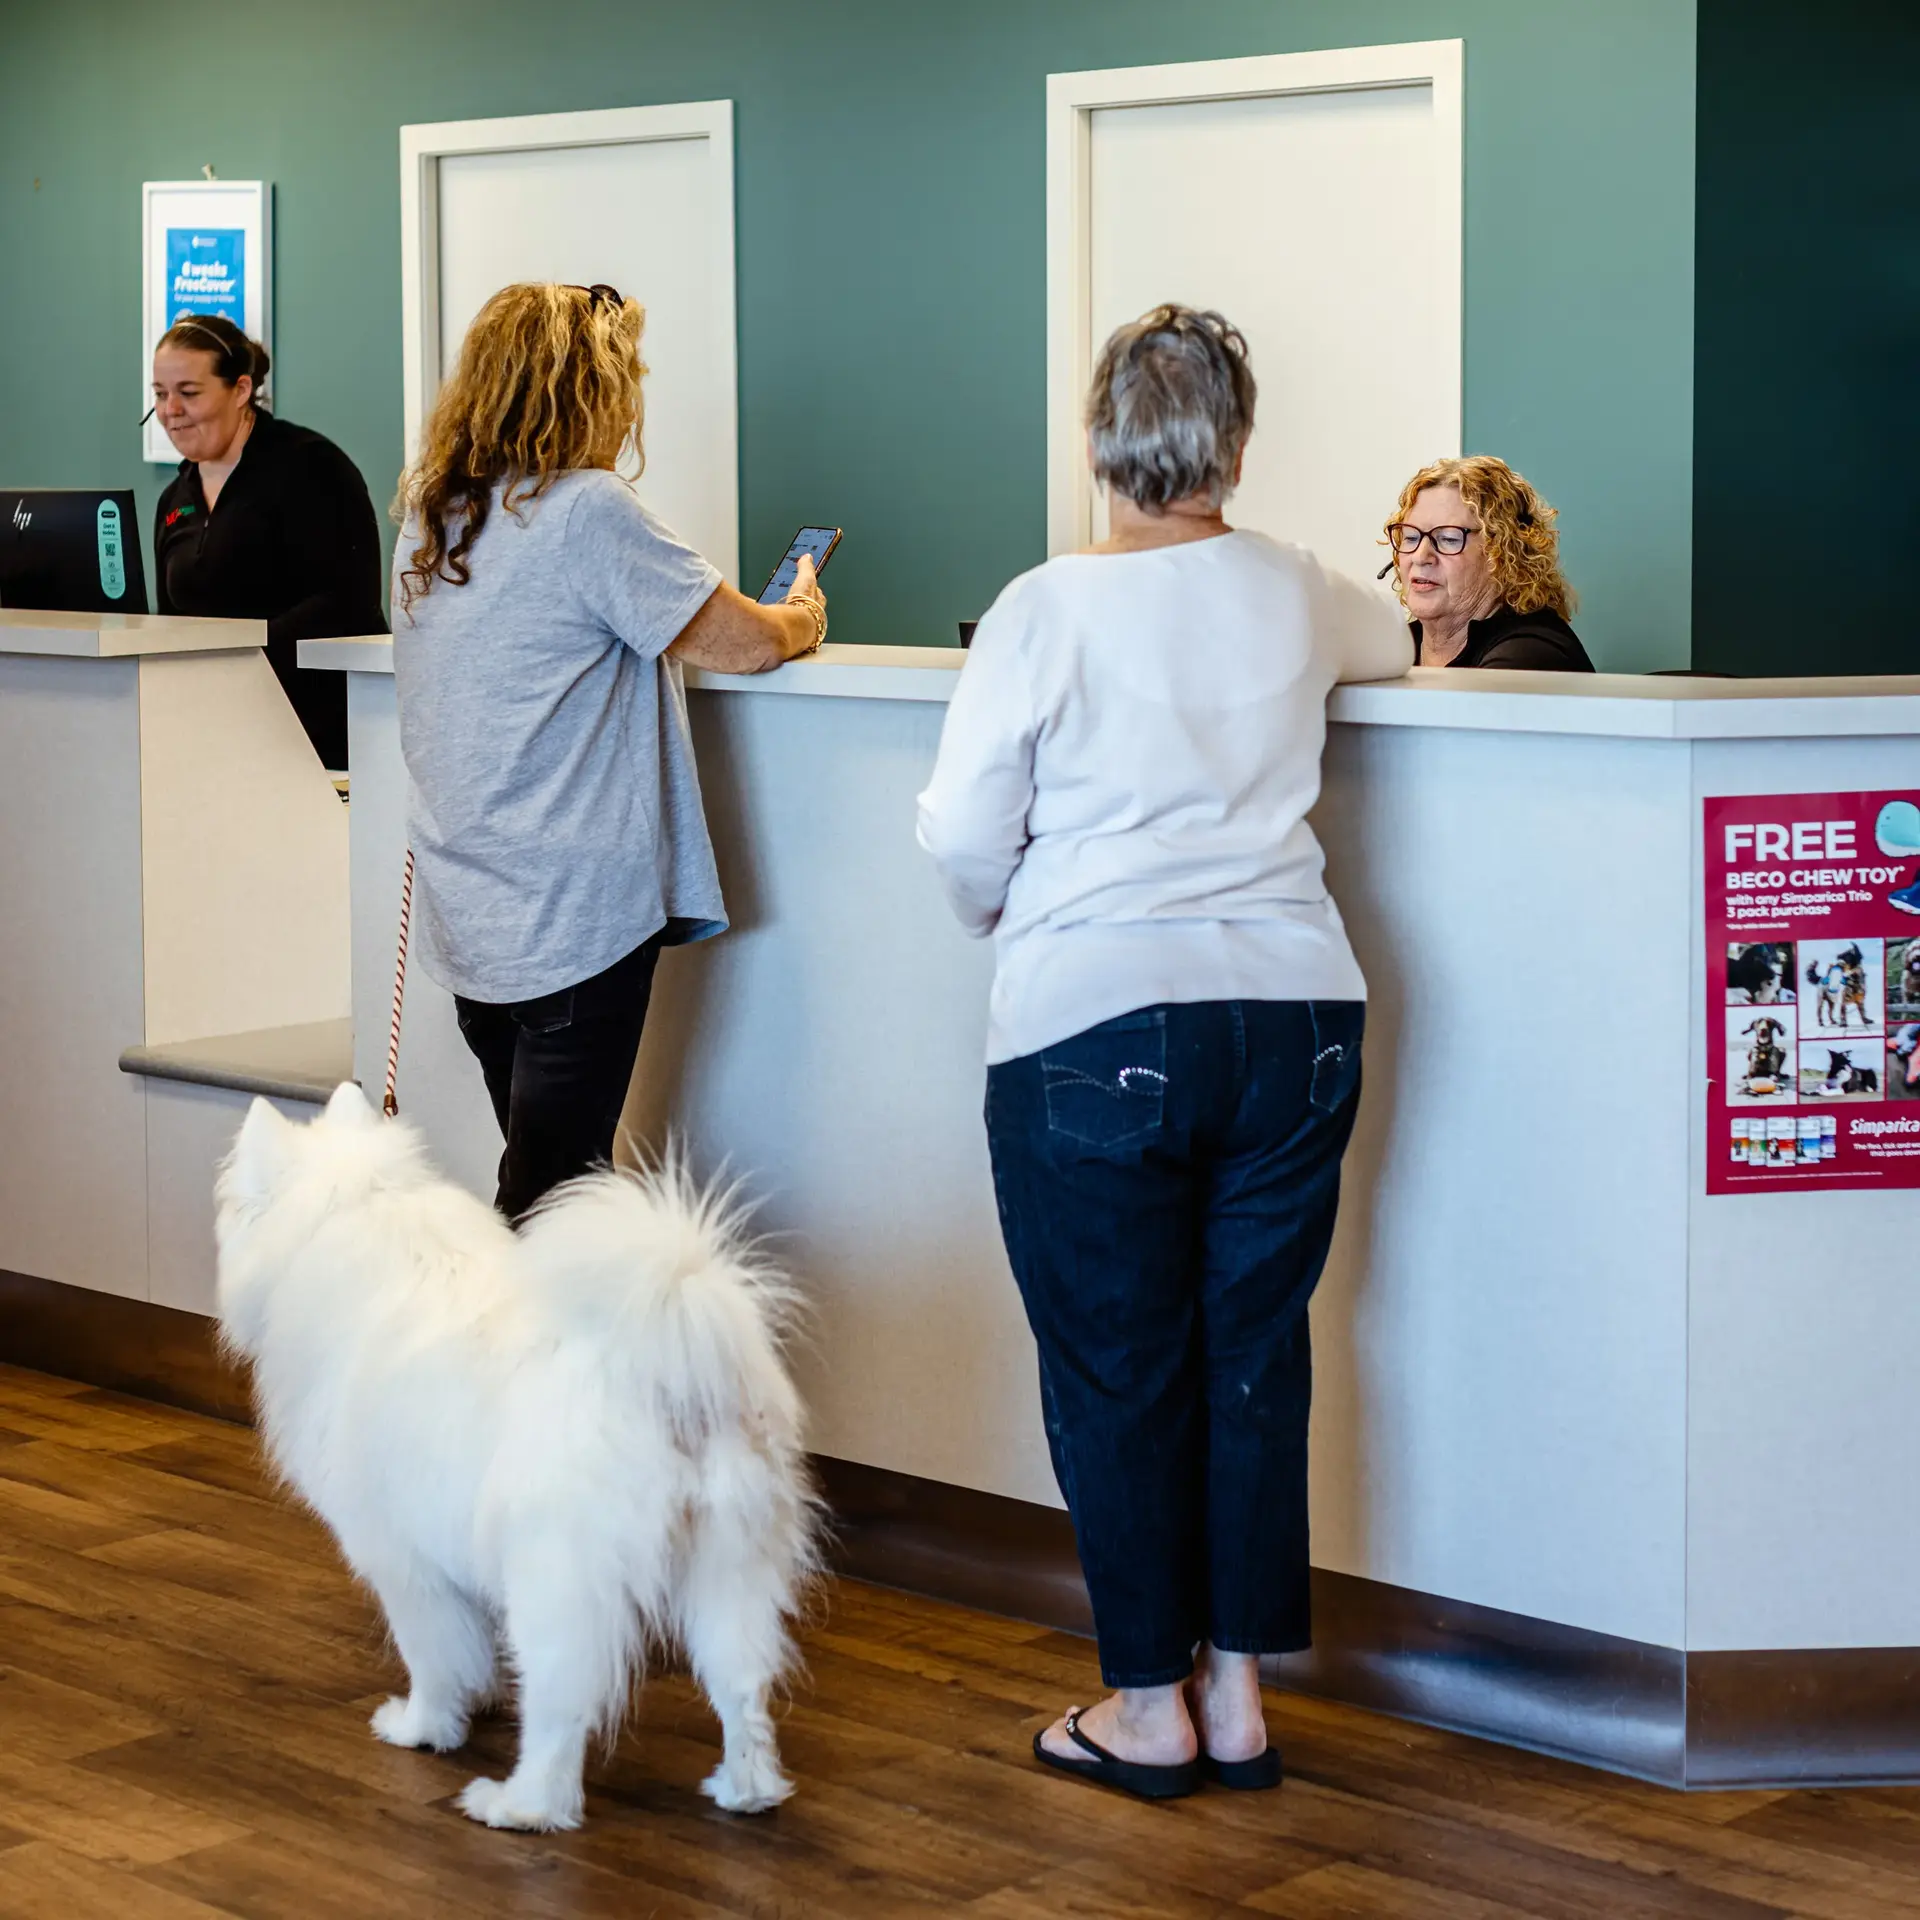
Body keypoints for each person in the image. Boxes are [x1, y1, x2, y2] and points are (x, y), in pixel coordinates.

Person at [917, 304, 1410, 1801]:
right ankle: (1242, 1693)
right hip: (1298, 1017)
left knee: (1121, 1372)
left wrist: (1006, 902)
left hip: (1092, 1022)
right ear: (1239, 447)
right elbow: (1396, 640)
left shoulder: (1039, 610)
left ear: (1097, 442)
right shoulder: (1305, 592)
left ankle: (1147, 1703)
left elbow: (957, 836)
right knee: (1252, 1359)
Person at [391, 281, 826, 1222]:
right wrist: (802, 611)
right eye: (624, 375)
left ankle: (557, 1363)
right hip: (568, 919)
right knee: (553, 1205)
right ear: (588, 386)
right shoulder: (588, 510)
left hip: (474, 915)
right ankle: (507, 1368)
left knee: (552, 1179)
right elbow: (744, 643)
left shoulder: (433, 518)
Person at [151, 314, 385, 767]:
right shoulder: (175, 498)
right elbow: (171, 621)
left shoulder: (310, 467)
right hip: (220, 729)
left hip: (322, 730)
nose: (170, 411)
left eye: (189, 393)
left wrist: (239, 652)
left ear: (240, 390)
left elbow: (347, 600)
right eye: (160, 395)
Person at [1384, 454, 1593, 671]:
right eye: (1411, 537)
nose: (1420, 556)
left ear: (1502, 552)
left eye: (1448, 539)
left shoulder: (1529, 654)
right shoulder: (1389, 648)